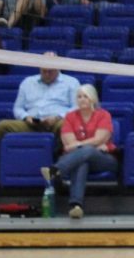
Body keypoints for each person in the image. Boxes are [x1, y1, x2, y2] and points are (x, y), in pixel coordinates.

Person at [42, 85, 117, 219]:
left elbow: (100, 138)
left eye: (85, 96)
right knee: (82, 162)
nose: (82, 99)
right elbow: (69, 145)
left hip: (104, 159)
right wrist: (89, 144)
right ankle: (76, 206)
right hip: (79, 159)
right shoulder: (70, 117)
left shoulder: (103, 115)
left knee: (86, 150)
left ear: (93, 99)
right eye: (79, 96)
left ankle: (56, 170)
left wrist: (80, 144)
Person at [0, 54, 77, 139]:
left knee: (64, 125)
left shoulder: (71, 82)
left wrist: (58, 117)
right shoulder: (27, 82)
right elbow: (17, 108)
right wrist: (26, 117)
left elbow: (76, 107)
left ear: (58, 68)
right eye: (44, 71)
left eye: (50, 71)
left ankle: (56, 152)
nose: (47, 74)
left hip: (56, 122)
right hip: (31, 124)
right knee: (2, 126)